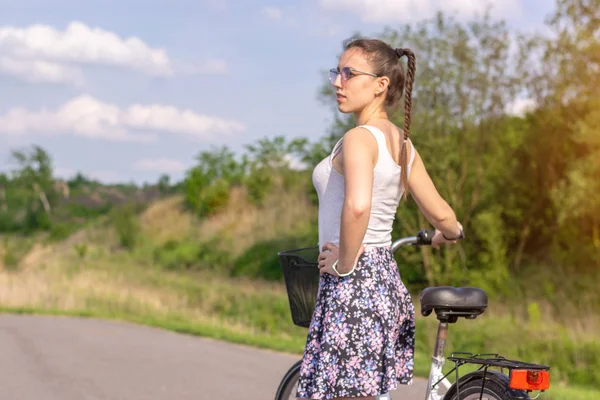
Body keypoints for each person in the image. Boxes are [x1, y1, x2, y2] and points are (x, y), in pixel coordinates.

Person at [295, 37, 464, 400]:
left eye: (349, 73)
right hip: (384, 284)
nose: (338, 83)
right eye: (336, 73)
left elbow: (358, 207)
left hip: (353, 285)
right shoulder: (402, 144)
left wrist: (343, 263)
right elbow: (443, 215)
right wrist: (449, 233)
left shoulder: (359, 139)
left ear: (380, 85)